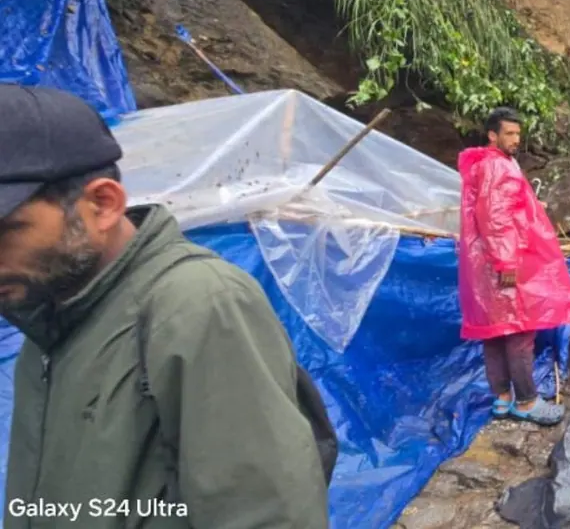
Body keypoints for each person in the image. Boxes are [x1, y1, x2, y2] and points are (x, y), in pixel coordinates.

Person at [0, 85, 334, 527]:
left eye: (6, 230)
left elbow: (265, 517)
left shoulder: (197, 305)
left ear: (102, 205)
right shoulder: (51, 322)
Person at [457, 108, 570, 426]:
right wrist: (507, 264)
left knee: (495, 332)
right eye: (509, 134)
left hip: (484, 266)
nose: (515, 139)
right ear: (492, 135)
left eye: (517, 134)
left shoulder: (484, 165)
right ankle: (526, 401)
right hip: (503, 263)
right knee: (520, 332)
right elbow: (495, 220)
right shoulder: (498, 167)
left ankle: (502, 399)